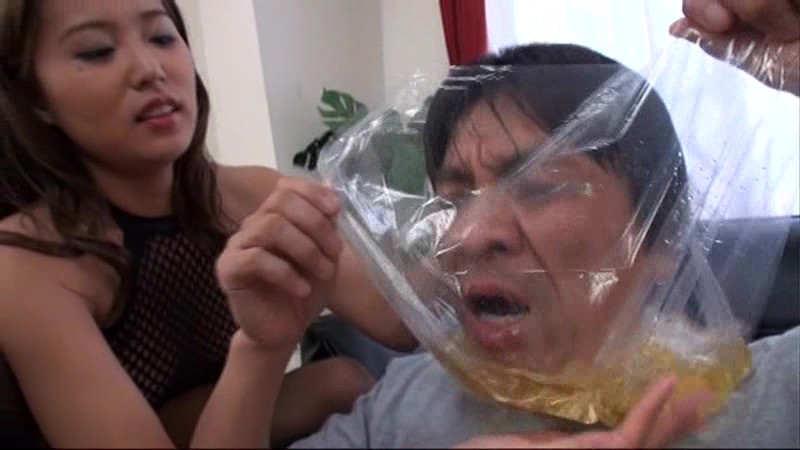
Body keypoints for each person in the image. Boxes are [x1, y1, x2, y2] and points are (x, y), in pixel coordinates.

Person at [282, 2, 800, 448]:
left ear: (660, 237)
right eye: (453, 201)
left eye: (540, 186)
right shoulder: (405, 401)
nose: (467, 236)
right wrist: (260, 351)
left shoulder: (768, 398)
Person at [0, 0, 416, 447]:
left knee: (343, 382)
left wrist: (463, 212)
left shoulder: (254, 195)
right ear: (35, 97)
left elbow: (398, 320)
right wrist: (262, 347)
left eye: (162, 37)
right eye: (97, 51)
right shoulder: (24, 266)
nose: (149, 69)